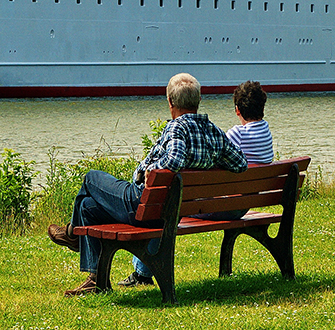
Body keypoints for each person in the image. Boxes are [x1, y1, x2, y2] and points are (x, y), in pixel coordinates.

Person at [47, 73, 247, 297]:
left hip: (143, 205)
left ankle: (73, 234)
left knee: (92, 177)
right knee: (86, 206)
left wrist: (146, 171)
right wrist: (206, 163)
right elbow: (240, 163)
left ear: (170, 102)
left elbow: (174, 159)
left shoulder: (176, 128)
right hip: (169, 210)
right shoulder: (213, 132)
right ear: (199, 101)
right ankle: (95, 279)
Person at [121, 80, 275, 289]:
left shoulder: (235, 134)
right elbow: (238, 163)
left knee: (167, 208)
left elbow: (180, 160)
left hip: (217, 207)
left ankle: (142, 273)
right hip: (242, 205)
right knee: (170, 205)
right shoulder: (265, 131)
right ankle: (142, 272)